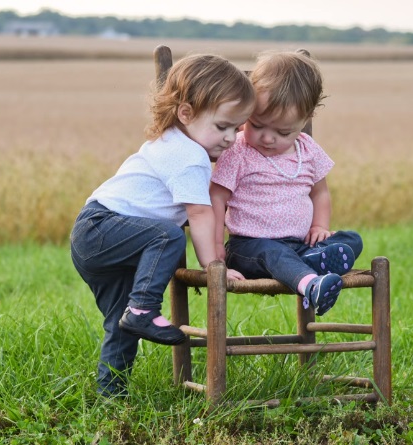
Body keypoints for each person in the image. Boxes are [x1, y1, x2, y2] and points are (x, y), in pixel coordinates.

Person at [70, 54, 254, 397]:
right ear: (186, 113)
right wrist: (213, 266)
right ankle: (143, 309)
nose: (230, 138)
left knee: (119, 323)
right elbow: (198, 215)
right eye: (221, 126)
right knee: (167, 235)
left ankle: (111, 395)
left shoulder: (169, 139)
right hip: (103, 227)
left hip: (94, 235)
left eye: (237, 128)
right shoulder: (190, 157)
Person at [210, 50, 363, 317]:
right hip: (250, 247)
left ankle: (310, 261)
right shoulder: (238, 150)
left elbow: (320, 194)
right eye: (257, 125)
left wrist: (319, 227)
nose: (268, 138)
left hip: (299, 243)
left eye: (283, 132)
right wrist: (214, 252)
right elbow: (216, 199)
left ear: (305, 119)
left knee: (352, 239)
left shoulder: (309, 150)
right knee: (274, 254)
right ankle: (312, 285)